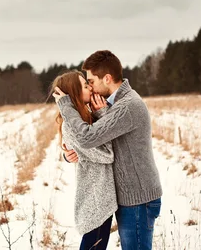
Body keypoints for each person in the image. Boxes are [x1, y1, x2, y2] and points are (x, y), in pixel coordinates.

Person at [53, 50, 162, 250]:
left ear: (107, 78)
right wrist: (69, 155)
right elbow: (86, 139)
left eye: (91, 81)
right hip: (129, 198)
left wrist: (66, 107)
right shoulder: (113, 104)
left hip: (137, 198)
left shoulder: (127, 106)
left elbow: (88, 138)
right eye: (86, 84)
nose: (91, 87)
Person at [52, 70, 118, 250]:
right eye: (84, 85)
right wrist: (102, 115)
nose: (90, 88)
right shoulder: (73, 126)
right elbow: (106, 154)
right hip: (95, 201)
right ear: (74, 92)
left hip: (99, 197)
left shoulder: (82, 118)